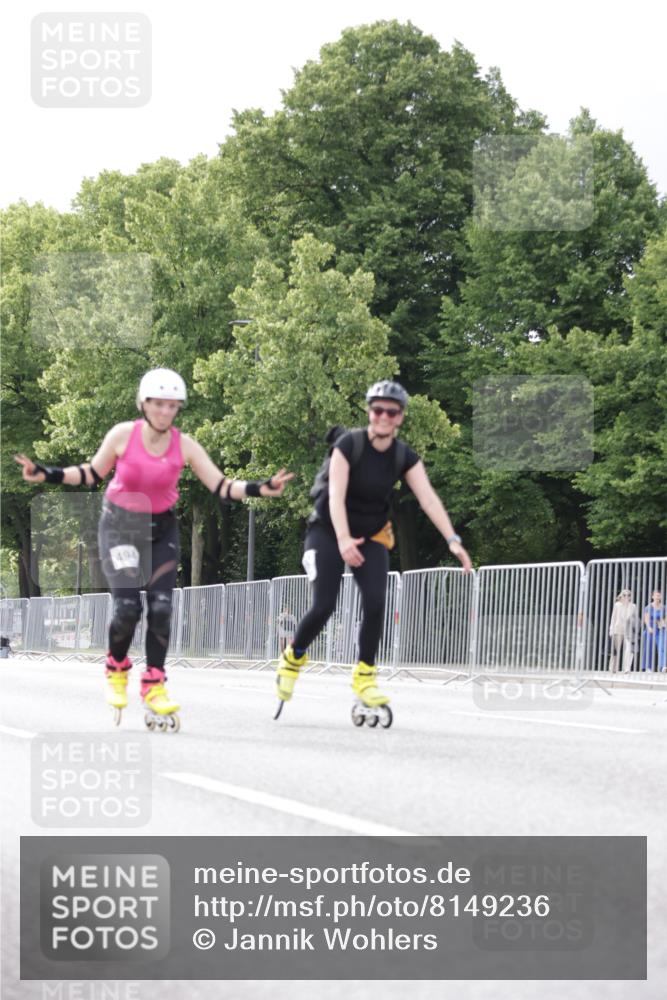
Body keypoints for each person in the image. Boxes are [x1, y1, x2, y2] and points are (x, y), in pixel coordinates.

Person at [15, 368, 292, 727]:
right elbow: (90, 473)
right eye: (158, 404)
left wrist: (260, 487)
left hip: (161, 531)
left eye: (172, 406)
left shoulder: (185, 444)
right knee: (128, 608)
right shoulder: (123, 435)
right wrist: (46, 473)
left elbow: (222, 486)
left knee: (161, 608)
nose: (165, 412)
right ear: (144, 405)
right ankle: (116, 668)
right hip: (119, 528)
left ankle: (154, 684)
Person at [274, 380, 472, 718]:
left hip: (373, 534)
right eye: (377, 410)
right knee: (324, 605)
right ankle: (293, 657)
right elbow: (335, 496)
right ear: (369, 412)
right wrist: (342, 539)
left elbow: (427, 498)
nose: (383, 416)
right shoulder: (348, 445)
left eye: (390, 412)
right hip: (328, 530)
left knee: (377, 601)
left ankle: (365, 676)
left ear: (400, 418)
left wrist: (453, 540)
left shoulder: (403, 456)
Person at [607, 589, 638, 673]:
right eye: (624, 595)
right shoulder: (617, 605)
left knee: (629, 649)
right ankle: (612, 668)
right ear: (621, 596)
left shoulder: (633, 606)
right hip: (617, 629)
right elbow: (613, 618)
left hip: (628, 631)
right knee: (616, 650)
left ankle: (627, 668)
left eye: (628, 595)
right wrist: (611, 629)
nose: (626, 597)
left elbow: (634, 619)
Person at [641, 590, 666, 672]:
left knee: (662, 647)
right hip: (650, 629)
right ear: (652, 597)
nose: (658, 597)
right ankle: (648, 667)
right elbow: (646, 619)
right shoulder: (648, 607)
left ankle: (663, 666)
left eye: (659, 595)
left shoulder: (664, 607)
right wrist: (648, 627)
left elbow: (665, 619)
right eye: (656, 595)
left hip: (660, 629)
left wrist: (663, 623)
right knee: (649, 648)